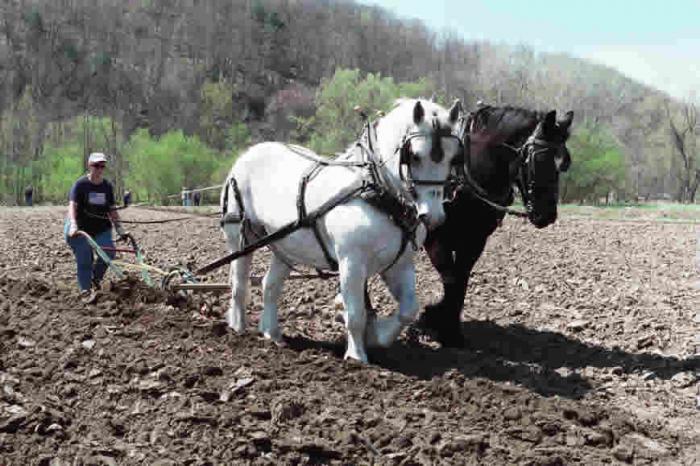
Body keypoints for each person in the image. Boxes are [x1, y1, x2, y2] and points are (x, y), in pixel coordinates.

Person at [64, 152, 127, 303]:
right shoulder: (81, 185)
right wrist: (73, 224)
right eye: (96, 166)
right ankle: (85, 291)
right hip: (80, 229)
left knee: (109, 253)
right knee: (85, 257)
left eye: (102, 166)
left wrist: (120, 229)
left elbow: (111, 209)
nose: (99, 169)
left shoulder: (106, 186)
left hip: (100, 228)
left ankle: (95, 279)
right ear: (89, 166)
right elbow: (72, 206)